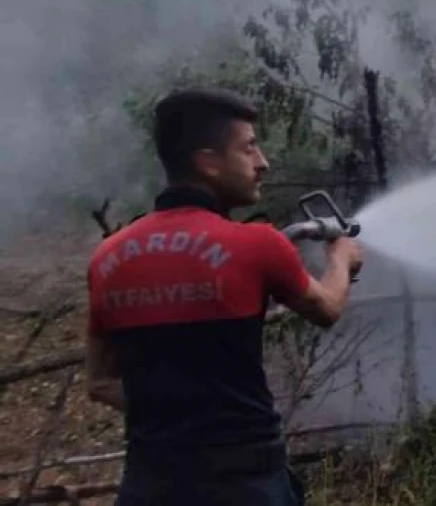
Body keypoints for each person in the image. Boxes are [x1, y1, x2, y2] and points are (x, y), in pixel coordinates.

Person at [84, 88, 363, 505]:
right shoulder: (257, 244)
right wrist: (341, 259)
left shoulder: (107, 258)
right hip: (246, 485)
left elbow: (100, 381)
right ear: (208, 161)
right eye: (248, 148)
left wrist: (172, 415)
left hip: (149, 486)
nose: (262, 162)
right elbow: (327, 308)